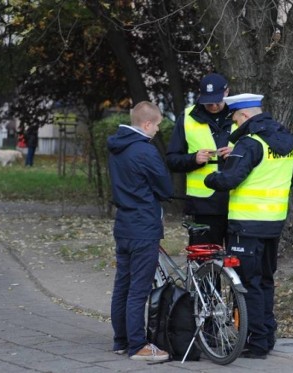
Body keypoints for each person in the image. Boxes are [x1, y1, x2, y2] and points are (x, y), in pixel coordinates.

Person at [204, 93, 293, 359]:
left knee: (248, 284)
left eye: (234, 119)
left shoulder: (250, 143)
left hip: (246, 226)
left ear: (244, 116)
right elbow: (292, 179)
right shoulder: (288, 140)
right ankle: (267, 336)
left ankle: (256, 343)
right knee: (266, 280)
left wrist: (212, 177)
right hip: (273, 223)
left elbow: (230, 179)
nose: (234, 124)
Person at [107, 101, 173, 362]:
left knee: (122, 285)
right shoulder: (145, 151)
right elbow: (165, 188)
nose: (157, 130)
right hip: (144, 225)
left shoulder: (117, 147)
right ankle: (138, 346)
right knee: (139, 289)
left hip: (123, 223)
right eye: (156, 125)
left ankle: (120, 340)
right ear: (147, 124)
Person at [166, 73, 235, 246]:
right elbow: (172, 160)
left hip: (239, 201)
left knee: (238, 263)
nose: (212, 106)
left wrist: (239, 152)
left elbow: (259, 150)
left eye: (216, 101)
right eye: (208, 101)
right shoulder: (188, 117)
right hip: (204, 205)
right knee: (204, 261)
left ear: (227, 92)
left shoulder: (240, 114)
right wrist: (193, 159)